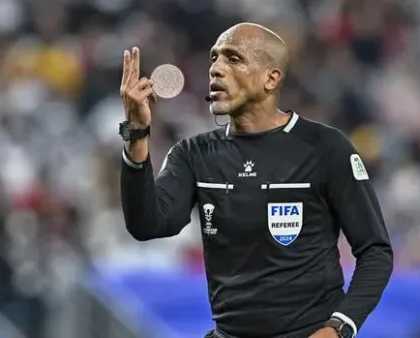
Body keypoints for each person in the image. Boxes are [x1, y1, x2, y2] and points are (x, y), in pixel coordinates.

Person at [118, 23, 393, 338]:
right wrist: (136, 132)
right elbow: (147, 224)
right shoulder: (194, 154)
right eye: (214, 58)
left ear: (271, 78)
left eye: (233, 59)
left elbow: (375, 250)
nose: (216, 69)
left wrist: (339, 326)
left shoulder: (326, 148)